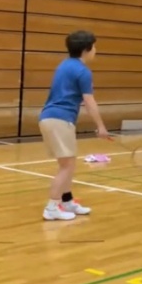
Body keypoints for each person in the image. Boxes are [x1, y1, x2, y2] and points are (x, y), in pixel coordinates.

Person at [38, 30, 110, 221]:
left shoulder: (64, 65)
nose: (95, 50)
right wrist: (101, 127)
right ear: (86, 49)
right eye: (94, 47)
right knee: (67, 167)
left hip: (50, 118)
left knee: (68, 164)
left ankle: (67, 201)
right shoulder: (83, 71)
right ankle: (52, 207)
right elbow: (89, 101)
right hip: (60, 119)